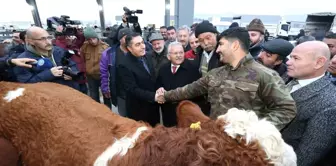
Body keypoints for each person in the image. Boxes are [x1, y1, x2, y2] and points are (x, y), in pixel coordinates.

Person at [156, 27, 296, 130]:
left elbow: (286, 109)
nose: (217, 50)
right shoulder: (216, 73)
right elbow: (188, 90)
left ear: (235, 45)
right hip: (217, 141)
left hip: (245, 149)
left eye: (221, 44)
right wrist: (164, 96)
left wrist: (255, 130)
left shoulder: (264, 75)